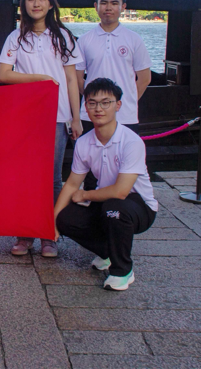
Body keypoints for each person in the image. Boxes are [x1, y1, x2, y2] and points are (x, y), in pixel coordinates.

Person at [0, 0, 83, 258]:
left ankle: (49, 234)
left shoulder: (63, 36)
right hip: (25, 116)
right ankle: (24, 234)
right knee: (25, 176)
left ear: (50, 3)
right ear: (24, 5)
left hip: (57, 116)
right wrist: (39, 79)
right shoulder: (16, 37)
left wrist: (76, 117)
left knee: (53, 177)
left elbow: (71, 79)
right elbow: (4, 75)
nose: (36, 3)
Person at [54, 78, 158, 291]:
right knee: (66, 218)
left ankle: (122, 270)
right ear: (85, 107)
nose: (98, 109)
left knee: (114, 208)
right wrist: (53, 220)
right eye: (92, 103)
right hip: (105, 202)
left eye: (105, 103)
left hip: (138, 206)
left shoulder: (131, 142)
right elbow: (72, 183)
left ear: (118, 105)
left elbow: (121, 191)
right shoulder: (84, 142)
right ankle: (108, 252)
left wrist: (85, 195)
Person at [76, 0, 151, 135]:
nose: (108, 7)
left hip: (125, 116)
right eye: (103, 3)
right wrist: (94, 100)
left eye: (114, 3)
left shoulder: (134, 39)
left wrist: (126, 100)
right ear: (96, 6)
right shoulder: (84, 40)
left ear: (123, 7)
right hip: (90, 115)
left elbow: (144, 78)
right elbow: (77, 78)